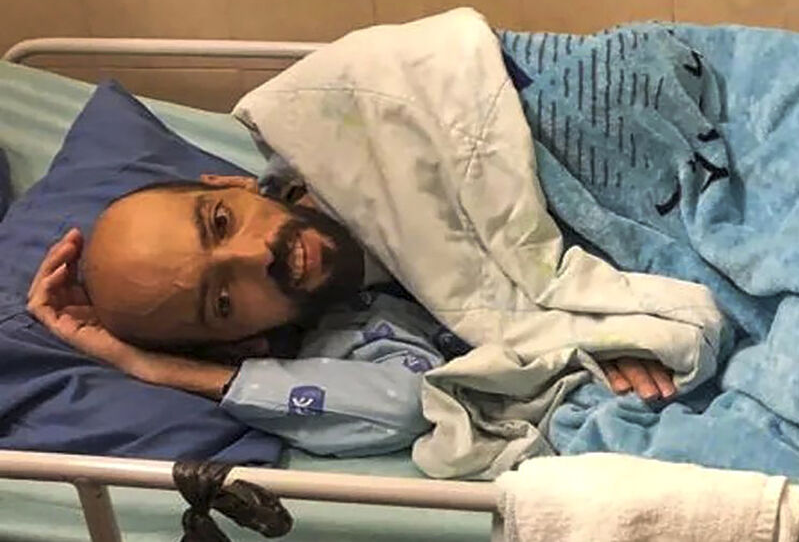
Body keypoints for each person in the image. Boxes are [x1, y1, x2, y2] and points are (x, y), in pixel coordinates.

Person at [25, 173, 676, 457]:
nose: (257, 254)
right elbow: (405, 404)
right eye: (222, 300)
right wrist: (153, 367)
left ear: (229, 184)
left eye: (220, 221)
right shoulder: (343, 343)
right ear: (237, 343)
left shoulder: (336, 155)